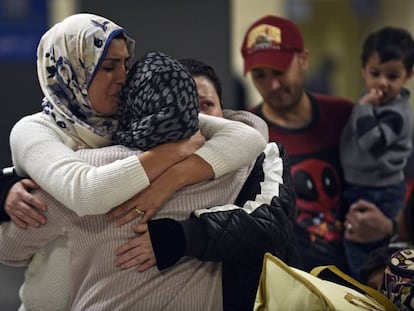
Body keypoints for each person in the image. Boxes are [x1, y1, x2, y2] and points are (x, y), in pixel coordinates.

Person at [1, 13, 266, 310]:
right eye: (109, 67)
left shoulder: (127, 119)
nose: (123, 76)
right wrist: (169, 153)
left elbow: (251, 136)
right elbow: (86, 191)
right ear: (72, 70)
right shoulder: (35, 130)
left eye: (126, 63)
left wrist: (171, 181)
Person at [111, 57, 300, 310]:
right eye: (181, 106)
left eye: (206, 105)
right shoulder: (142, 159)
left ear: (223, 109)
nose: (195, 118)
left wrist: (179, 235)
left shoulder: (263, 155)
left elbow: (269, 225)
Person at [240, 14, 395, 273]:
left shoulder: (345, 116)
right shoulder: (249, 133)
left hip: (357, 275)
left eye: (279, 72)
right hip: (286, 283)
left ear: (303, 60)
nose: (273, 85)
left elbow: (393, 182)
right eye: (260, 76)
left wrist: (389, 225)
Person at [340, 26, 414, 280]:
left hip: (380, 189)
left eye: (392, 76)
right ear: (363, 70)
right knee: (357, 244)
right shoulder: (372, 101)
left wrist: (362, 108)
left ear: (408, 74)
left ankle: (365, 296)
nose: (382, 82)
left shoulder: (397, 113)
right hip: (363, 185)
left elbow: (372, 141)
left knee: (366, 252)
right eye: (375, 73)